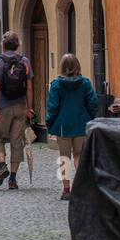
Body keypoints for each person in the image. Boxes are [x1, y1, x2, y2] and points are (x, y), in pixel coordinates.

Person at [46, 52, 97, 200]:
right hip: (81, 124)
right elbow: (93, 102)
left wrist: (50, 122)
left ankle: (66, 190)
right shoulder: (85, 83)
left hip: (63, 127)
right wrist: (90, 117)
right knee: (78, 155)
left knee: (64, 158)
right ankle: (81, 187)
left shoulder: (56, 85)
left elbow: (52, 107)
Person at [0, 31, 34, 190]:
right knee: (17, 142)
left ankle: (2, 166)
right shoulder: (25, 61)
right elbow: (29, 87)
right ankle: (13, 180)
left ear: (3, 44)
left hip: (2, 106)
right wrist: (29, 107)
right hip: (20, 105)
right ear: (17, 45)